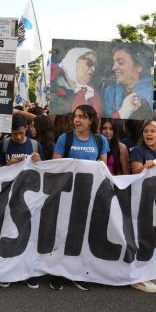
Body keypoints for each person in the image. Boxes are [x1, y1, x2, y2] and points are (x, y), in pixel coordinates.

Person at [50, 105, 108, 292]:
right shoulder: (64, 139)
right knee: (62, 234)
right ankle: (57, 272)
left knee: (83, 235)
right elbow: (56, 164)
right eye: (75, 116)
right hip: (66, 194)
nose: (77, 120)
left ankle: (78, 273)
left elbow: (103, 168)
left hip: (89, 195)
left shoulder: (100, 140)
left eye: (82, 117)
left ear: (91, 120)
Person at [103, 45, 155, 120]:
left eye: (120, 62)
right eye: (114, 62)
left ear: (138, 67)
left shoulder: (151, 92)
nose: (113, 67)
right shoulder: (110, 91)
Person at [50, 47, 101, 116]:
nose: (93, 69)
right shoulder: (51, 83)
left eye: (95, 66)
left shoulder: (92, 95)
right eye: (90, 63)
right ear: (73, 60)